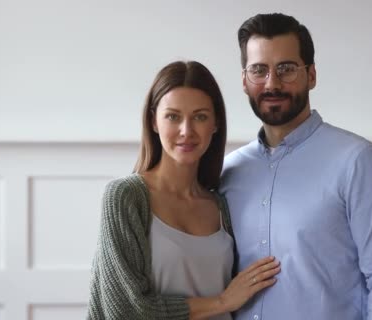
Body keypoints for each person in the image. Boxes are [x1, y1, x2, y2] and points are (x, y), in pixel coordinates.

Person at [220, 13, 372, 319]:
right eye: (259, 70)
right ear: (244, 81)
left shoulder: (359, 162)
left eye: (286, 69)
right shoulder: (228, 172)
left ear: (311, 75)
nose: (272, 83)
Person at [87, 60, 280, 320]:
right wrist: (222, 301)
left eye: (200, 117)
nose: (186, 131)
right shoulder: (125, 197)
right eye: (173, 116)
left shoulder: (220, 204)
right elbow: (125, 311)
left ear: (215, 124)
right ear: (154, 121)